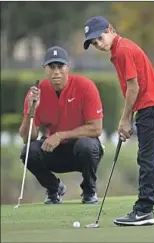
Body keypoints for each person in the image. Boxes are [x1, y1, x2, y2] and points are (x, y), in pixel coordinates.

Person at [83, 16, 154, 226]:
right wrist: (130, 117)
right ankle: (144, 209)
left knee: (147, 160)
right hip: (152, 107)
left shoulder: (122, 50)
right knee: (146, 159)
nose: (98, 44)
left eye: (99, 37)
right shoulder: (119, 50)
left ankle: (144, 210)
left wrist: (125, 120)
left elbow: (134, 87)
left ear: (110, 29)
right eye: (94, 43)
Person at [19, 46, 104, 205]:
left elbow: (96, 128)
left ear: (68, 67)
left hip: (81, 150)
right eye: (51, 67)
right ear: (45, 69)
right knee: (28, 151)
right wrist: (30, 111)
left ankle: (89, 190)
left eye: (60, 66)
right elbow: (27, 138)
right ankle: (54, 189)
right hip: (55, 152)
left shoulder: (85, 86)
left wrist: (59, 135)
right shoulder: (37, 93)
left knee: (87, 146)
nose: (56, 71)